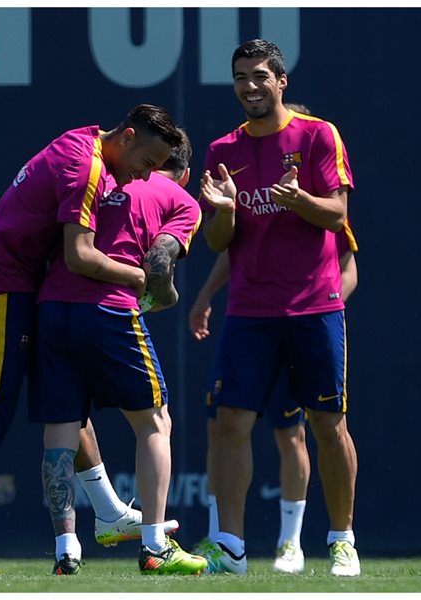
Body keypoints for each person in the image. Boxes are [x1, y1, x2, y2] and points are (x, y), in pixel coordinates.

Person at [0, 105, 182, 577]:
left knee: (68, 408)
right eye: (147, 163)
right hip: (3, 291)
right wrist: (138, 277)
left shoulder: (87, 142)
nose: (145, 176)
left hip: (24, 290)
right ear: (127, 137)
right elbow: (79, 257)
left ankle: (108, 510)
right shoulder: (87, 168)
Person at [198, 38, 360, 576]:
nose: (249, 86)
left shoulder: (318, 135)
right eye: (240, 77)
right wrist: (224, 211)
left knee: (328, 425)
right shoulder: (222, 150)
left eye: (259, 76)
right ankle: (231, 547)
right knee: (229, 424)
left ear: (281, 81)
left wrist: (298, 200)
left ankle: (341, 540)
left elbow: (337, 215)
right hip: (249, 312)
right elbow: (218, 241)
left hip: (314, 308)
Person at [30, 129, 206, 576]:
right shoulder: (182, 200)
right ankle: (155, 545)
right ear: (184, 173)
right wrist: (165, 298)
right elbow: (158, 267)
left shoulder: (101, 175)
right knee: (154, 422)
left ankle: (66, 549)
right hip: (109, 310)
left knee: (62, 428)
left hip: (51, 309)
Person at [188, 219, 358, 575]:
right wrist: (206, 293)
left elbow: (347, 268)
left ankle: (294, 542)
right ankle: (224, 540)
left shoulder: (319, 201)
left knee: (300, 431)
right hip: (253, 321)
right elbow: (231, 248)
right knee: (224, 424)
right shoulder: (245, 196)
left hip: (307, 323)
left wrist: (320, 303)